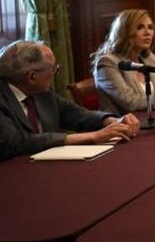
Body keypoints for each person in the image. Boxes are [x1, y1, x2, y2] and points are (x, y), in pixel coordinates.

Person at [1, 41, 140, 161]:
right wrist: (91, 137)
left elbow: (78, 115)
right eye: (53, 69)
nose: (55, 73)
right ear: (32, 77)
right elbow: (16, 143)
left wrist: (112, 121)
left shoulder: (42, 93)